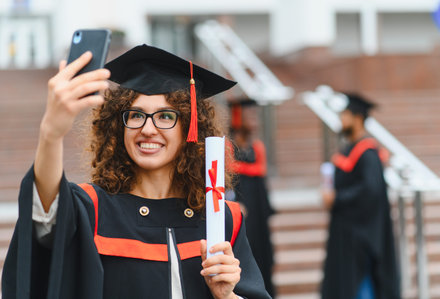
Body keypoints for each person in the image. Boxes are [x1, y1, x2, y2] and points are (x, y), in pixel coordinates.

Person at [2, 44, 272, 299]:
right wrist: (51, 134)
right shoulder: (93, 209)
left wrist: (227, 295)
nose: (148, 129)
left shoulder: (221, 219)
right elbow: (44, 213)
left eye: (166, 116)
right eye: (136, 115)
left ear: (190, 129)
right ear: (118, 128)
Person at [321, 93, 400, 299]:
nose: (341, 120)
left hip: (360, 237)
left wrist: (337, 198)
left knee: (359, 284)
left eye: (344, 115)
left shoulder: (367, 153)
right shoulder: (350, 149)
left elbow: (370, 191)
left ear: (357, 118)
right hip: (346, 232)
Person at [227, 99, 276, 297]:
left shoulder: (257, 148)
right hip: (239, 212)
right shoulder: (228, 148)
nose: (254, 120)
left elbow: (262, 183)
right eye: (249, 115)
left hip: (257, 213)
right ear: (237, 117)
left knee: (262, 255)